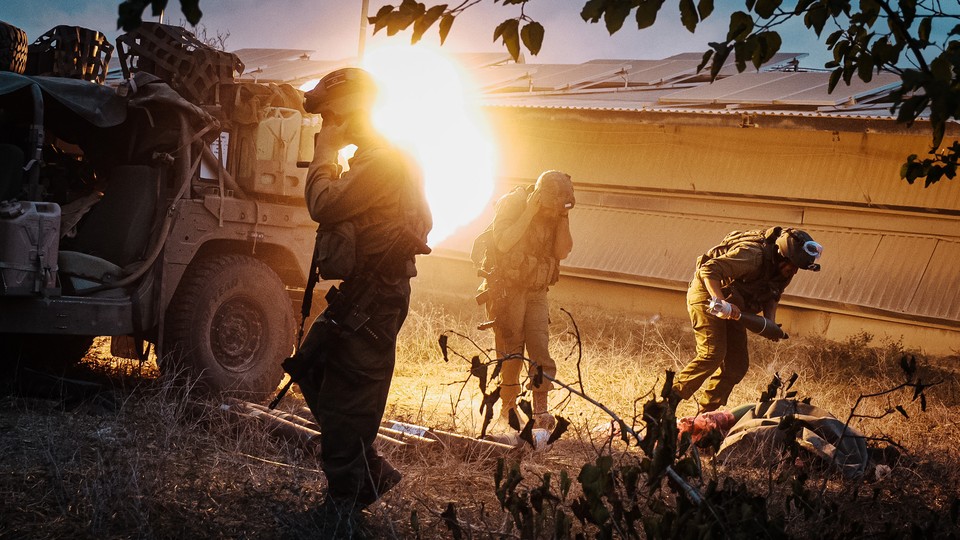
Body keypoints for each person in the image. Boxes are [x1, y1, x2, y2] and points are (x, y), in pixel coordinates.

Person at [296, 67, 432, 528]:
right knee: (310, 365)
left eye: (330, 116)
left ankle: (343, 505)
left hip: (376, 295)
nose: (325, 125)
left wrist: (324, 154)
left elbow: (324, 204)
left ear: (350, 111)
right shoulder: (388, 158)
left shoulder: (382, 162)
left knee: (352, 395)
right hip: (369, 291)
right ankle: (367, 472)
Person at [673, 227, 822, 412]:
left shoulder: (784, 270)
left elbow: (773, 294)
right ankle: (667, 403)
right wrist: (719, 302)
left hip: (734, 305)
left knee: (737, 365)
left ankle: (705, 415)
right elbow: (709, 270)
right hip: (707, 293)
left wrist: (770, 323)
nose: (793, 271)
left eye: (797, 268)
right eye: (791, 265)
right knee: (713, 354)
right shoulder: (752, 256)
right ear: (781, 256)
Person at [477, 170, 575, 431]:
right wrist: (529, 212)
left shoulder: (557, 211)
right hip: (508, 289)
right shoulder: (514, 203)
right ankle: (508, 410)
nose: (553, 212)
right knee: (511, 351)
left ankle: (540, 411)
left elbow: (562, 251)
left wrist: (563, 217)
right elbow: (503, 242)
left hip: (537, 289)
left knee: (540, 348)